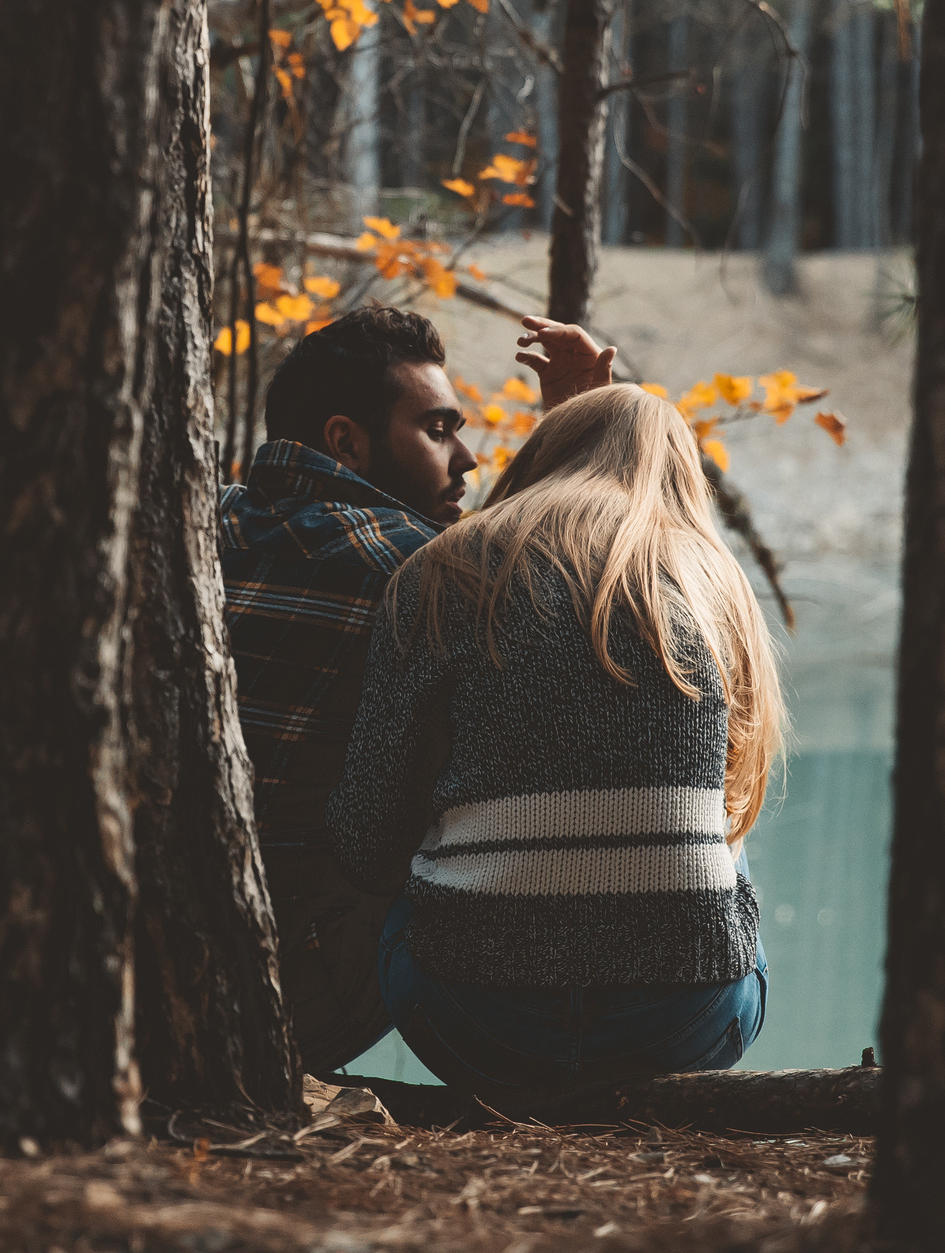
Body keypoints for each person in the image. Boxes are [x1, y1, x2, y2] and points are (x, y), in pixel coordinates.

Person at [329, 382, 786, 1113]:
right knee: (721, 822)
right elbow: (737, 806)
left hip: (475, 1022)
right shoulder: (715, 584)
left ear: (542, 458)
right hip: (683, 1026)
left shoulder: (444, 569)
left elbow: (365, 839)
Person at [219, 303, 613, 1074]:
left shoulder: (210, 524)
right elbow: (581, 606)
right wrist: (581, 428)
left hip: (143, 966)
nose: (465, 457)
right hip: (291, 994)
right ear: (346, 441)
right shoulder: (423, 571)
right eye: (437, 430)